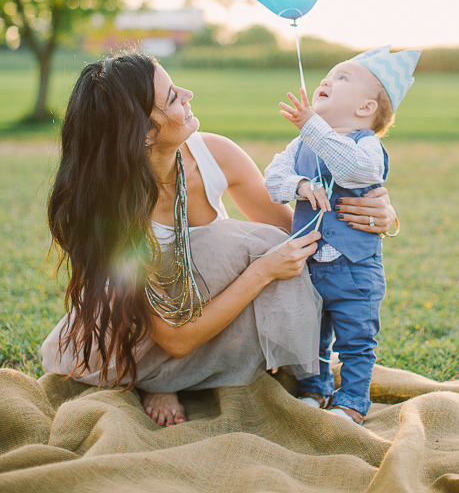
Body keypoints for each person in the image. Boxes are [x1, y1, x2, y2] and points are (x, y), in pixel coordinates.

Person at [41, 51, 397, 427]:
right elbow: (174, 338)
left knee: (258, 243)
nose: (188, 93)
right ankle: (155, 379)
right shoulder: (112, 209)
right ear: (144, 132)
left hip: (211, 312)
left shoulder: (215, 154)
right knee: (239, 245)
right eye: (173, 97)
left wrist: (382, 216)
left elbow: (297, 231)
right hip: (140, 337)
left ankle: (181, 378)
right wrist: (262, 272)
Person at [264, 46, 421, 425]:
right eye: (329, 75)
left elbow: (354, 172)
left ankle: (352, 399)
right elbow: (272, 179)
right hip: (310, 264)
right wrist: (299, 184)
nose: (327, 81)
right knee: (311, 331)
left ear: (366, 108)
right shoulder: (300, 144)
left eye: (342, 78)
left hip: (355, 269)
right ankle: (314, 388)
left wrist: (312, 127)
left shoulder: (366, 145)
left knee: (356, 336)